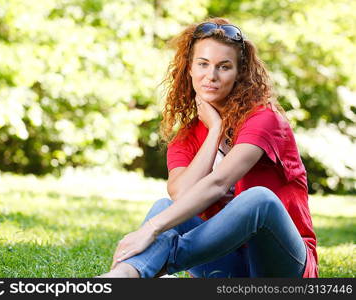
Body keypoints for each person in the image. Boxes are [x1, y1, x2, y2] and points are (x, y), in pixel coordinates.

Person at [98, 17, 318, 278]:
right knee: (164, 206)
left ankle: (155, 264)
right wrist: (215, 131)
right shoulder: (188, 135)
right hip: (225, 265)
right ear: (189, 68)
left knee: (259, 199)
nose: (211, 76)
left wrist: (150, 230)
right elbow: (182, 194)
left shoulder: (264, 119)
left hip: (280, 265)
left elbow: (217, 183)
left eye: (224, 67)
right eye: (203, 64)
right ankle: (117, 279)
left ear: (240, 73)